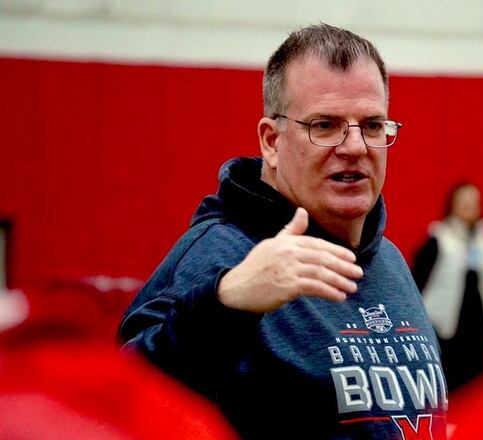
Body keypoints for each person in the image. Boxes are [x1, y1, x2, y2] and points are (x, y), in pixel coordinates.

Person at [118, 24, 448, 440]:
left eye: (372, 125)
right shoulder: (219, 256)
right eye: (325, 125)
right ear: (272, 142)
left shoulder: (390, 261)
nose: (355, 147)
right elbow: (115, 409)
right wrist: (223, 306)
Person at [412, 183, 483, 391]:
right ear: (453, 204)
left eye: (474, 201)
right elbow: (419, 278)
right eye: (464, 201)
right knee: (450, 379)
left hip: (477, 321)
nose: (469, 206)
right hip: (445, 324)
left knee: (477, 382)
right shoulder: (439, 238)